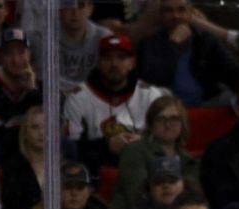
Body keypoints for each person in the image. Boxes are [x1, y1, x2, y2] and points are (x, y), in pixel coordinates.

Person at [64, 34, 166, 178]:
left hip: (145, 167)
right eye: (107, 58)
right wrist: (106, 145)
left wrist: (144, 141)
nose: (114, 64)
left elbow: (168, 138)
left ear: (132, 62)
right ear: (98, 62)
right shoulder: (78, 97)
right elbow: (71, 147)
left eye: (121, 58)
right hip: (98, 168)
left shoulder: (150, 95)